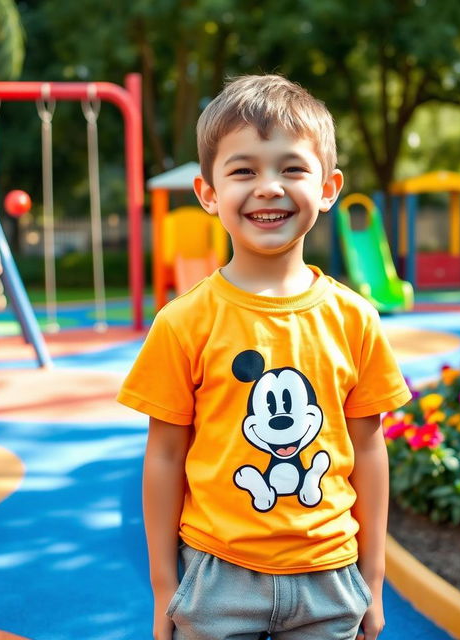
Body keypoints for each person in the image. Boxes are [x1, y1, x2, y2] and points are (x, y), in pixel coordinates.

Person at [117, 74, 411, 640]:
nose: (269, 187)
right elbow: (163, 456)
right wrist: (162, 588)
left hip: (328, 573)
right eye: (244, 170)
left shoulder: (355, 320)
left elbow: (369, 449)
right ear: (208, 193)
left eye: (292, 168)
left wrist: (373, 581)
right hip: (215, 575)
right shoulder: (183, 323)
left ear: (328, 187)